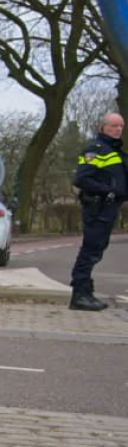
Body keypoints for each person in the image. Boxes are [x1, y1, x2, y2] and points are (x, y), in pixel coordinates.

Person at [70, 112, 126, 312]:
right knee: (90, 250)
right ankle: (79, 294)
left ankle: (86, 291)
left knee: (96, 250)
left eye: (121, 126)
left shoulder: (114, 150)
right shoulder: (96, 149)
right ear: (103, 127)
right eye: (114, 126)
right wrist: (109, 191)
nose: (118, 129)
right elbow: (82, 179)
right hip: (98, 207)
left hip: (108, 207)